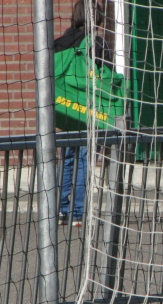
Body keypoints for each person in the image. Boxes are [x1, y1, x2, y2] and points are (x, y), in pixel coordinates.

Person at [55, 0, 112, 227]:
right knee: (85, 160)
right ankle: (78, 214)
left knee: (66, 159)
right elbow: (107, 80)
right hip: (89, 111)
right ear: (96, 19)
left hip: (64, 109)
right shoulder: (98, 44)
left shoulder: (59, 44)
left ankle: (60, 210)